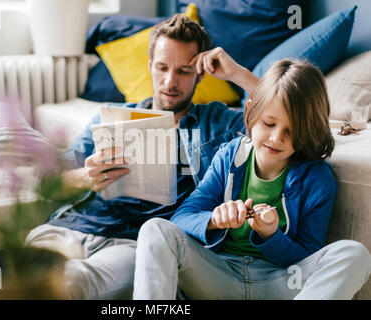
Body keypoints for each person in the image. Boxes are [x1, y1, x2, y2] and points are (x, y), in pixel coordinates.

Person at [24, 14, 259, 299]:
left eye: (183, 71)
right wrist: (84, 177)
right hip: (72, 226)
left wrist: (237, 74)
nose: (170, 82)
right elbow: (47, 180)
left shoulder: (217, 121)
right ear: (149, 66)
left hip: (132, 245)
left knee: (69, 282)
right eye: (161, 68)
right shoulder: (110, 117)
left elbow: (282, 116)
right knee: (20, 272)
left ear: (199, 74)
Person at [133, 59, 371, 300]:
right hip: (217, 276)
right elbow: (181, 218)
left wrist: (271, 236)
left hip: (280, 282)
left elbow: (307, 256)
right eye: (269, 123)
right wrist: (215, 220)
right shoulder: (229, 156)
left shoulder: (317, 179)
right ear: (251, 110)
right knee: (155, 229)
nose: (276, 138)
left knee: (354, 254)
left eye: (291, 131)